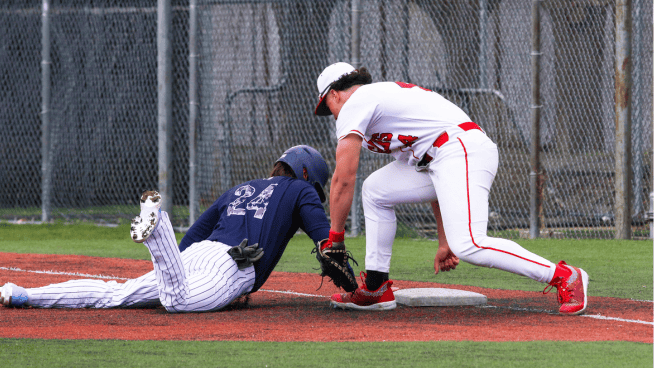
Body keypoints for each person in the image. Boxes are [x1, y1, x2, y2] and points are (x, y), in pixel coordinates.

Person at [314, 62, 589, 314]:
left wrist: (335, 237)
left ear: (335, 94)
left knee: (470, 244)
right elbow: (428, 171)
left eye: (328, 106)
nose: (332, 113)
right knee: (375, 189)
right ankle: (376, 288)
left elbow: (344, 177)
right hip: (444, 156)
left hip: (461, 149)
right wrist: (444, 240)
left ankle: (565, 275)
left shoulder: (358, 101)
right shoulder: (382, 110)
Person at [0, 145, 354, 312]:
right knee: (177, 301)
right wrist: (353, 285)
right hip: (232, 266)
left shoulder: (239, 188)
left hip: (197, 255)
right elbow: (327, 241)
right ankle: (157, 229)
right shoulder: (303, 189)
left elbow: (194, 237)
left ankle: (24, 294)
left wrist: (181, 266)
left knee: (116, 294)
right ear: (307, 175)